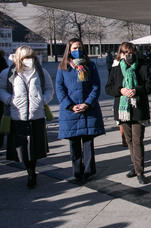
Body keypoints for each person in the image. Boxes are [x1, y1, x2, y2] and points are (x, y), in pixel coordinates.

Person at [0, 45, 54, 189]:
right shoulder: (8, 73)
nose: (29, 60)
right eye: (25, 57)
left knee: (34, 148)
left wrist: (43, 100)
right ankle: (28, 169)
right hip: (18, 115)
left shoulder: (41, 72)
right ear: (19, 58)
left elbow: (49, 89)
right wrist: (9, 100)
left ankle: (32, 171)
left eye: (31, 56)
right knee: (22, 146)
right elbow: (0, 89)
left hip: (36, 115)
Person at [56, 38, 105, 183]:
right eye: (75, 48)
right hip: (71, 111)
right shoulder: (63, 67)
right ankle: (77, 171)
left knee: (88, 143)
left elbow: (96, 87)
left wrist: (87, 104)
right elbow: (60, 89)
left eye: (80, 47)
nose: (78, 50)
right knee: (74, 143)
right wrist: (71, 106)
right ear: (69, 50)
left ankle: (89, 171)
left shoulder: (90, 65)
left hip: (88, 109)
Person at [105, 42, 151, 184]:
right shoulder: (115, 69)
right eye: (126, 53)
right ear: (121, 54)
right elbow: (108, 88)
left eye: (132, 53)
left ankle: (139, 171)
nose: (129, 56)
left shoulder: (142, 66)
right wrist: (121, 90)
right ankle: (135, 166)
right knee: (129, 141)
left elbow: (150, 86)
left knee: (137, 141)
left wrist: (136, 90)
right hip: (123, 110)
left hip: (138, 109)